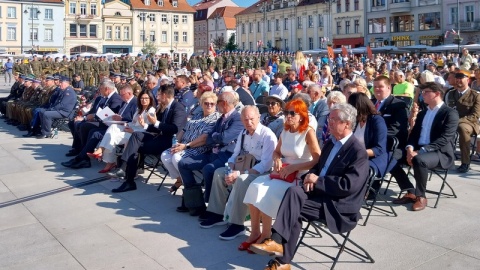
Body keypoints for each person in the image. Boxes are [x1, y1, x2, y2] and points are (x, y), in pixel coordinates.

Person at [249, 103, 369, 270]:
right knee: (293, 193)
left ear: (347, 124)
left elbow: (348, 186)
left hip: (337, 205)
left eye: (333, 119)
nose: (329, 122)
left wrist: (317, 180)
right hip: (319, 195)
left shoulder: (357, 152)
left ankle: (280, 256)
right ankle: (278, 249)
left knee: (293, 206)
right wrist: (307, 177)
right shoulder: (330, 143)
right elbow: (317, 168)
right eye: (329, 118)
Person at [243, 99, 321, 248]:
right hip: (282, 172)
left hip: (298, 176)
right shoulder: (285, 131)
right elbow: (277, 152)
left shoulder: (308, 132)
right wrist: (277, 159)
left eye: (292, 113)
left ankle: (266, 234)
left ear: (301, 115)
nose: (288, 116)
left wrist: (295, 167)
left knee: (267, 191)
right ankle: (255, 232)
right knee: (255, 186)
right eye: (286, 112)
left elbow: (317, 159)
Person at [199, 106, 277, 241]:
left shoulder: (267, 135)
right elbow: (234, 155)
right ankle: (217, 214)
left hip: (261, 172)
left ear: (259, 118)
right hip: (243, 167)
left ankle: (237, 224)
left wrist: (240, 173)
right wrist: (230, 168)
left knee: (241, 180)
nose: (249, 122)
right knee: (219, 173)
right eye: (245, 119)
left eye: (252, 119)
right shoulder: (243, 133)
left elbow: (266, 164)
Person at [393, 82, 459, 211]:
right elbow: (414, 134)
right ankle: (410, 190)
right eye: (422, 92)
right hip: (418, 149)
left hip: (439, 152)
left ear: (437, 94)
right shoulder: (423, 113)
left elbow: (445, 139)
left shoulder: (450, 113)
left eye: (426, 92)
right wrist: (410, 149)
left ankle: (421, 196)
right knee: (390, 156)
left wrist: (421, 151)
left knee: (419, 160)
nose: (422, 95)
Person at [177, 91, 244, 215]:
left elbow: (225, 138)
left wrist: (215, 136)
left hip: (226, 156)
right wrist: (215, 137)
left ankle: (209, 206)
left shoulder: (237, 119)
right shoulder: (222, 117)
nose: (215, 106)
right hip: (212, 153)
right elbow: (209, 138)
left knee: (208, 169)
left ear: (223, 103)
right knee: (183, 163)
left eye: (216, 102)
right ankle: (195, 201)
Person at [110, 85, 187, 193]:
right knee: (136, 136)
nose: (157, 97)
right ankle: (125, 174)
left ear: (164, 95)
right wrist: (145, 126)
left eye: (159, 95)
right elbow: (156, 127)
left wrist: (155, 122)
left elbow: (175, 129)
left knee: (134, 147)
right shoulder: (164, 107)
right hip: (159, 138)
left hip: (169, 142)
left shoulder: (178, 108)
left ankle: (126, 176)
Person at [62, 85, 138, 169]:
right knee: (90, 130)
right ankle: (83, 157)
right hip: (114, 126)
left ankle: (83, 158)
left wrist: (121, 118)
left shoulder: (135, 103)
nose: (120, 97)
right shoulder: (124, 101)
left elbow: (133, 120)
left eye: (122, 95)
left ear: (129, 93)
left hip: (124, 129)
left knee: (95, 133)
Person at [160, 92, 220, 193]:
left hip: (198, 148)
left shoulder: (215, 118)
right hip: (183, 144)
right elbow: (184, 130)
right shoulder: (197, 115)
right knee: (165, 155)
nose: (209, 105)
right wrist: (176, 142)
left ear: (215, 105)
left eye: (212, 103)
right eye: (206, 103)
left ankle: (190, 187)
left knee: (176, 158)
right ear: (201, 104)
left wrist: (185, 146)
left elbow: (204, 138)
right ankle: (180, 179)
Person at [86, 89, 155, 173]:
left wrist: (132, 130)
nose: (143, 100)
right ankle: (102, 152)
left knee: (112, 137)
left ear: (150, 99)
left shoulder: (151, 111)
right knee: (113, 126)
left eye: (146, 98)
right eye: (142, 98)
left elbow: (148, 128)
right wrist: (126, 124)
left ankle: (107, 158)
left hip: (138, 134)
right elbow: (133, 122)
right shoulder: (139, 109)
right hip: (131, 128)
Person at [445, 70, 480, 173]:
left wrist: (457, 121)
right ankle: (441, 158)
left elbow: (475, 115)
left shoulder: (476, 95)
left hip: (470, 123)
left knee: (462, 129)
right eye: (457, 77)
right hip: (452, 121)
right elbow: (446, 109)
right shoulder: (450, 94)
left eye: (461, 77)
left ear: (468, 80)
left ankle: (465, 162)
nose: (458, 80)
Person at [348, 93, 388, 178]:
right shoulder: (356, 121)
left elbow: (379, 149)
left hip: (372, 158)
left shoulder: (377, 120)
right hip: (355, 157)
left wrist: (356, 153)